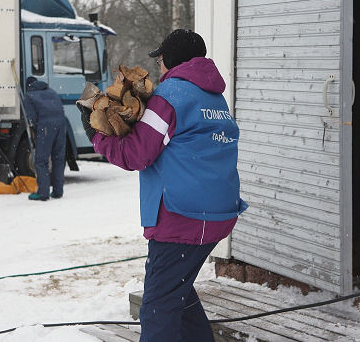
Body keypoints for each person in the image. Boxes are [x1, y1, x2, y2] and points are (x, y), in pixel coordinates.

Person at [77, 29, 248, 341]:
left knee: (158, 306)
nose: (158, 69)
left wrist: (96, 135)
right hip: (218, 214)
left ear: (171, 60)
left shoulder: (169, 97)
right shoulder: (214, 97)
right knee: (175, 292)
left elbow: (135, 155)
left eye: (160, 62)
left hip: (183, 216)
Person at [23, 76, 66, 201]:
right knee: (58, 158)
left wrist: (36, 130)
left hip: (46, 126)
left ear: (28, 86)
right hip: (62, 125)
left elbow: (32, 118)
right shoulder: (51, 91)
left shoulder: (30, 95)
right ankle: (58, 191)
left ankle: (43, 193)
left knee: (41, 161)